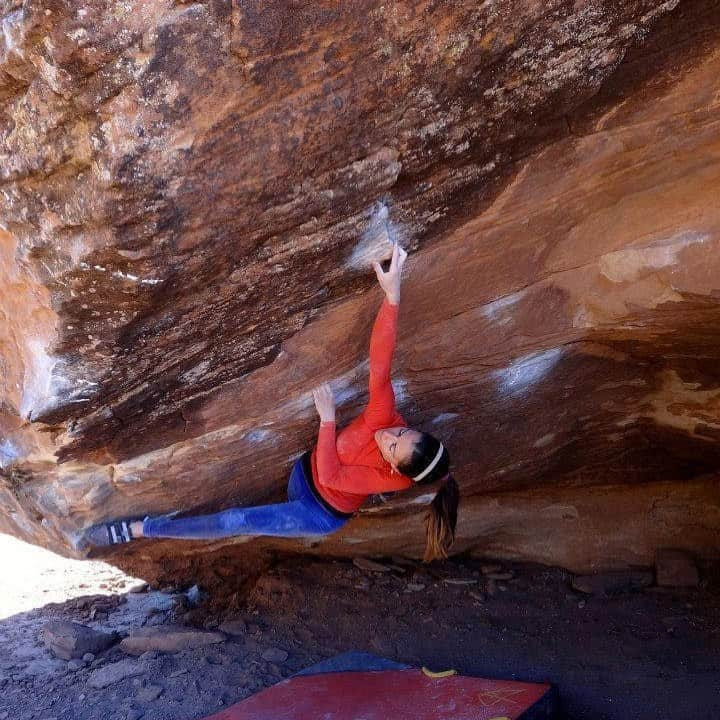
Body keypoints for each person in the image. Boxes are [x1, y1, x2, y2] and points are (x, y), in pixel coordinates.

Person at [84, 240, 459, 561]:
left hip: (315, 511)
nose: (388, 436)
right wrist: (392, 295)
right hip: (303, 473)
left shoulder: (392, 482)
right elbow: (380, 362)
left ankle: (138, 530)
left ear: (394, 467)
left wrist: (328, 421)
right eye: (401, 432)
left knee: (237, 520)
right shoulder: (386, 419)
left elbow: (333, 476)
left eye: (392, 447)